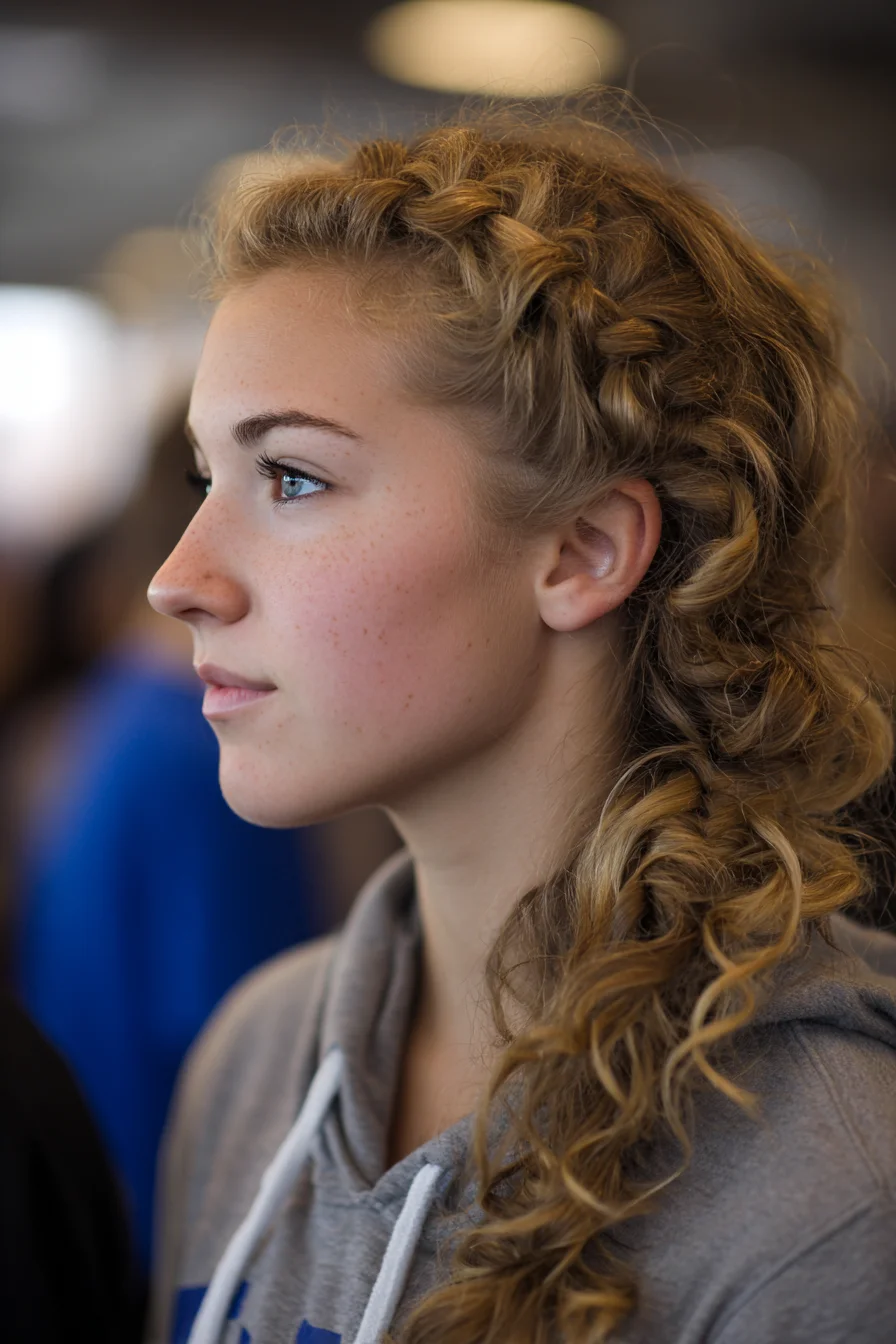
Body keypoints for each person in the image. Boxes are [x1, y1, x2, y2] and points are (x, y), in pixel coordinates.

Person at [145, 107, 896, 1344]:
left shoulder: (825, 1200)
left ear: (581, 550)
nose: (181, 575)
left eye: (291, 477)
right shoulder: (258, 1059)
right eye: (203, 476)